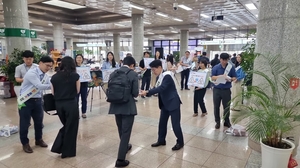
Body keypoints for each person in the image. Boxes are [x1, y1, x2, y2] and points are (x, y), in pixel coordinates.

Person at [140, 60, 184, 151]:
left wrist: (148, 92)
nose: (153, 72)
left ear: (160, 67)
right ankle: (161, 140)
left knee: (175, 125)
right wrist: (147, 92)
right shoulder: (159, 77)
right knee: (162, 123)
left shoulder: (167, 75)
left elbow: (162, 88)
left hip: (173, 103)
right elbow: (156, 88)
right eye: (151, 70)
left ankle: (180, 142)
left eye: (154, 69)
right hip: (164, 104)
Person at [18, 56, 54, 153]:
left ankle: (39, 139)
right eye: (47, 65)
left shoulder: (45, 75)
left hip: (38, 101)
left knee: (39, 123)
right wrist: (54, 86)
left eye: (50, 67)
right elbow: (39, 86)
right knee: (25, 124)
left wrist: (54, 84)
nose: (48, 68)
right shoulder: (31, 73)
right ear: (40, 63)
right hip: (26, 101)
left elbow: (49, 83)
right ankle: (25, 143)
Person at [108, 56, 139, 167]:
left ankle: (125, 146)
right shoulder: (133, 74)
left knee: (121, 129)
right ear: (132, 65)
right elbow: (135, 93)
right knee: (126, 132)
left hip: (115, 105)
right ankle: (120, 160)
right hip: (128, 107)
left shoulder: (113, 73)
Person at [50, 56, 80, 158]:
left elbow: (53, 92)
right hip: (71, 104)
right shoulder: (75, 76)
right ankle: (67, 152)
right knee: (71, 127)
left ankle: (59, 147)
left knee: (67, 126)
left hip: (59, 105)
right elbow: (78, 90)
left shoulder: (54, 77)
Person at [211, 53, 237, 129]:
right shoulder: (216, 67)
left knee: (226, 107)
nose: (224, 62)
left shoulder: (231, 67)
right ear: (220, 59)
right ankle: (217, 122)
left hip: (226, 90)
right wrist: (221, 76)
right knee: (216, 106)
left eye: (226, 60)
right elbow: (212, 77)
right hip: (217, 90)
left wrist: (230, 79)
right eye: (223, 60)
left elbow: (234, 77)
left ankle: (226, 121)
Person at [75, 54, 88, 118]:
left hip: (84, 85)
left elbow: (88, 75)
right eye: (77, 58)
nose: (79, 59)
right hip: (76, 85)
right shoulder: (73, 67)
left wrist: (89, 78)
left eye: (80, 58)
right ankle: (76, 113)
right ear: (75, 59)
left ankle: (83, 112)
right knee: (76, 99)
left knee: (84, 99)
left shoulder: (86, 67)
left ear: (82, 59)